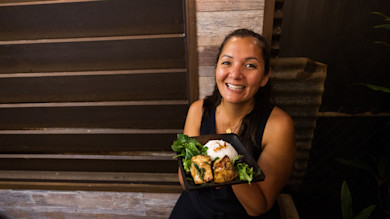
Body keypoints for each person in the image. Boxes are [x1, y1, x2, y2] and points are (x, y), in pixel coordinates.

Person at [170, 29, 296, 218]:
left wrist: (230, 169)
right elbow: (184, 179)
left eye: (250, 65)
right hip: (196, 208)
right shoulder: (198, 110)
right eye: (227, 62)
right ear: (217, 68)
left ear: (265, 77)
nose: (235, 74)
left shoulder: (278, 125)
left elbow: (258, 207)